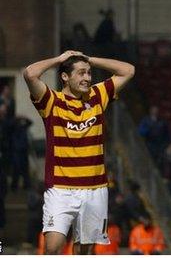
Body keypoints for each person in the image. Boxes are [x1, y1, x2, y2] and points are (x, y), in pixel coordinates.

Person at [23, 50, 135, 254]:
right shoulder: (51, 101)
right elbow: (30, 73)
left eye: (89, 73)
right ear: (65, 77)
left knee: (85, 251)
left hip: (95, 189)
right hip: (60, 189)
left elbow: (128, 70)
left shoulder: (98, 95)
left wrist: (88, 59)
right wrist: (59, 59)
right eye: (81, 73)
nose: (87, 78)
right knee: (52, 249)